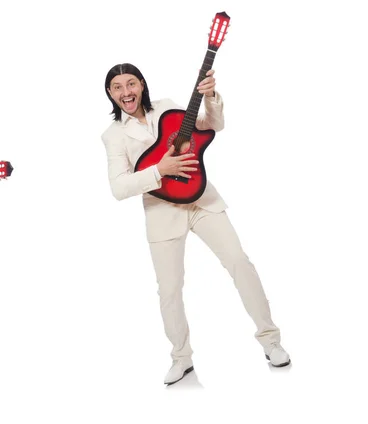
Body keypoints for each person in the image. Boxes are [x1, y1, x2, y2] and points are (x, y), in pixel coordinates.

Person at [101, 63, 290, 386]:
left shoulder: (169, 107)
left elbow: (211, 126)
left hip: (202, 199)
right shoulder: (113, 135)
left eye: (131, 83)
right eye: (118, 87)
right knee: (170, 291)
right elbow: (119, 188)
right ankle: (181, 358)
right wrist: (160, 169)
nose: (126, 92)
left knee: (239, 263)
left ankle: (271, 340)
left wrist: (210, 96)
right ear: (110, 93)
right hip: (162, 211)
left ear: (142, 85)